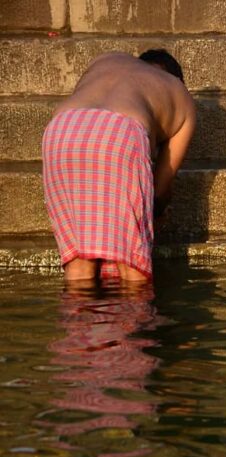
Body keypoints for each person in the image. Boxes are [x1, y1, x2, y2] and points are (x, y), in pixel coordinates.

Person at [42, 49, 197, 283]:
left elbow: (91, 132)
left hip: (62, 128)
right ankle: (134, 318)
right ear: (177, 79)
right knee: (132, 266)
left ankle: (76, 318)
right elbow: (162, 185)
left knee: (79, 265)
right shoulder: (181, 96)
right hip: (121, 133)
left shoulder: (106, 59)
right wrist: (154, 213)